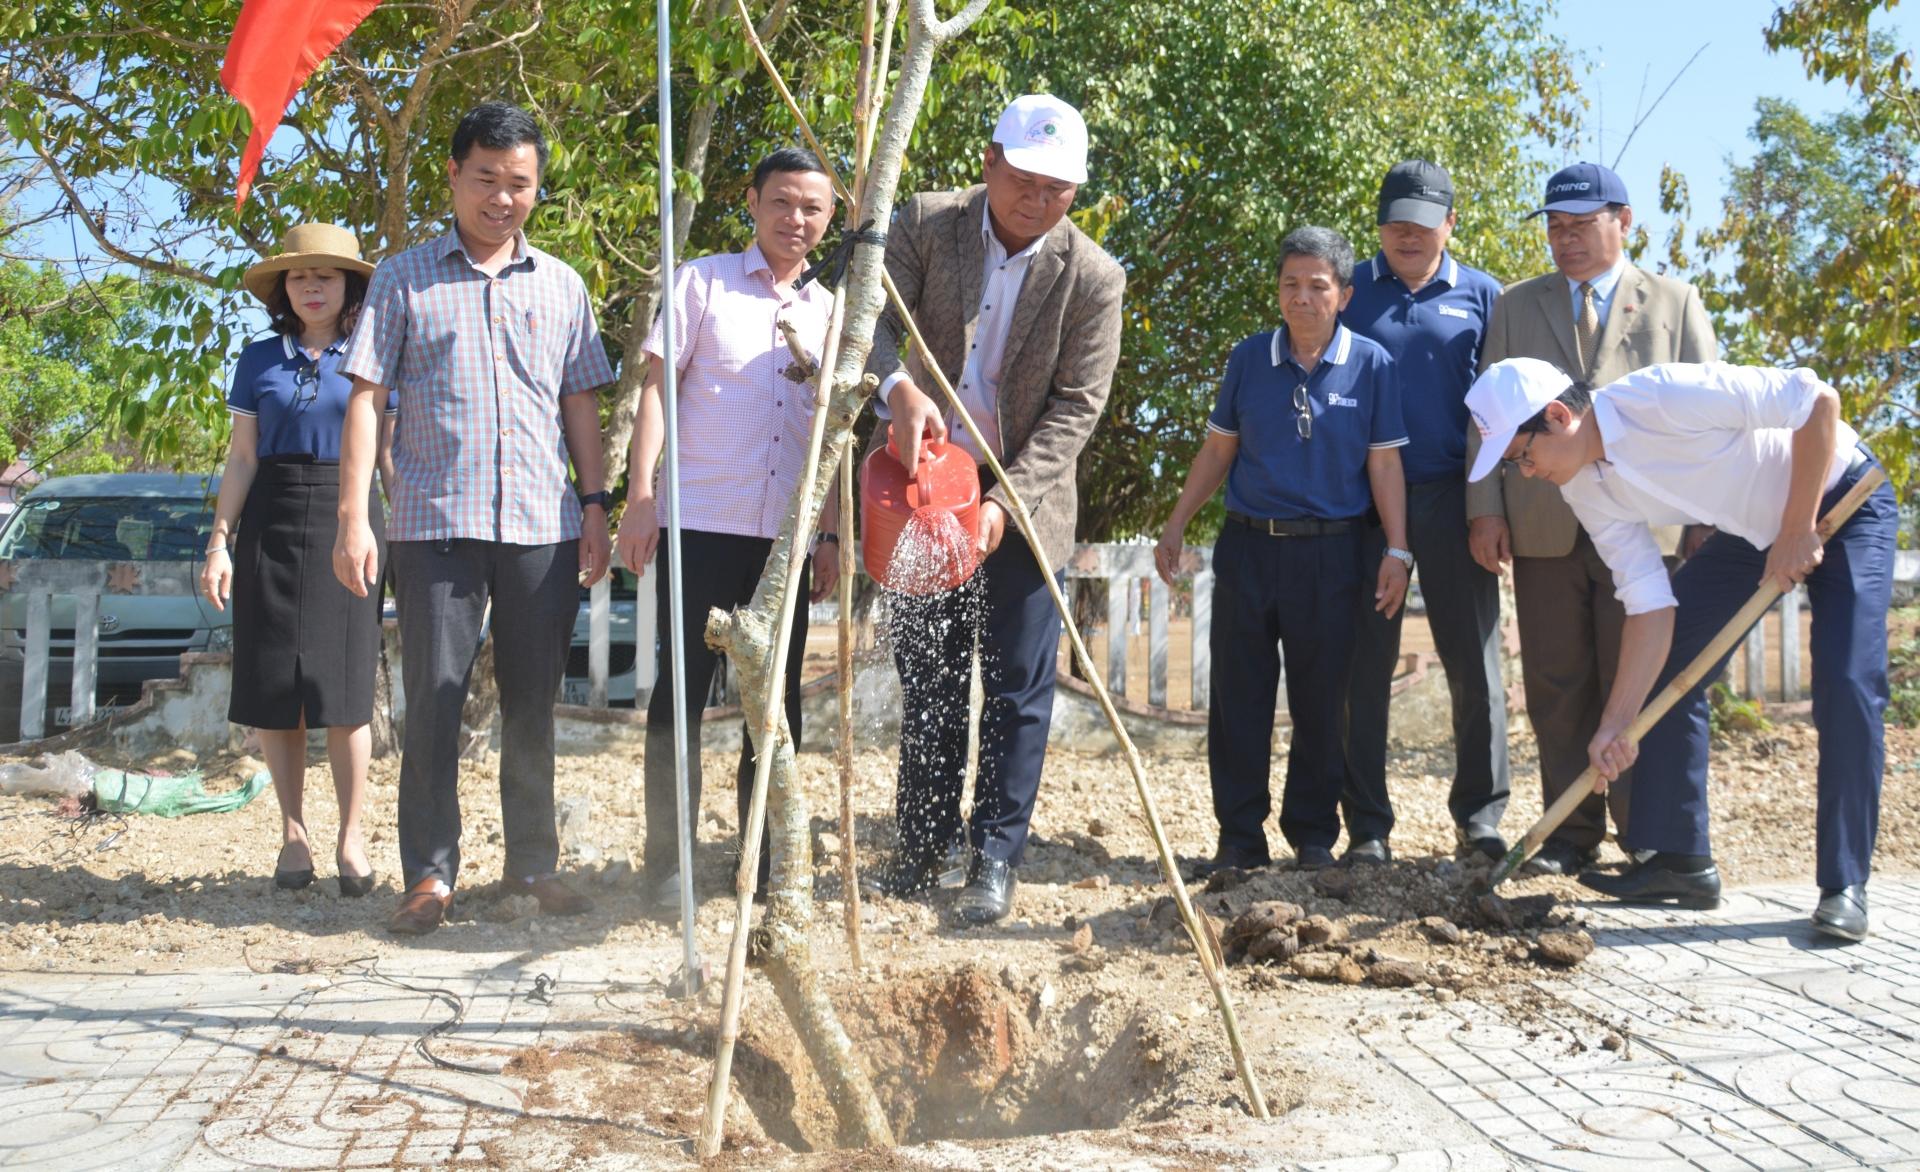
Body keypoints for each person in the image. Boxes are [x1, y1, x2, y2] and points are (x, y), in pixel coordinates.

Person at [1466, 358, 1896, 941]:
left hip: (1844, 496)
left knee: (1846, 684)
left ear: (1559, 416)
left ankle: (1844, 884)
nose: (1525, 472)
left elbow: (1817, 401)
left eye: (1522, 456)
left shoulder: (1659, 398)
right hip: (1757, 534)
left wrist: (1799, 526)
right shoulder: (1584, 489)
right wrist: (1614, 727)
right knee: (1666, 669)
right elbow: (1648, 603)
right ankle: (1680, 859)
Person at [332, 102, 617, 936]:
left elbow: (581, 404)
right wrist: (358, 517)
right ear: (453, 176)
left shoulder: (562, 285)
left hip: (542, 525)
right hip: (433, 524)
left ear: (536, 188)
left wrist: (595, 506)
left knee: (532, 704)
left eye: (519, 183)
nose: (502, 197)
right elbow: (365, 399)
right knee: (434, 702)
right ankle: (428, 875)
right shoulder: (403, 277)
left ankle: (533, 864)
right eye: (485, 179)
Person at [862, 94, 1126, 924]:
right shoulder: (925, 224)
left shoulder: (1094, 277)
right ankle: (922, 844)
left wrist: (1005, 502)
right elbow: (864, 323)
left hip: (1024, 502)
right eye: (1024, 180)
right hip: (920, 494)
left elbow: (1077, 408)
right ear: (989, 163)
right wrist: (896, 388)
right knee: (931, 681)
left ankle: (995, 858)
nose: (1037, 200)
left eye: (1058, 189)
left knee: (1016, 686)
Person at [1467, 162, 1717, 877]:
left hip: (1650, 522)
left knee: (1635, 676)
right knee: (1556, 680)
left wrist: (1702, 521)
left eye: (1580, 225)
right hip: (1544, 520)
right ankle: (1570, 833)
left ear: (1624, 222)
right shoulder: (1517, 306)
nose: (1565, 240)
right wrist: (1485, 508)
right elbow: (1484, 420)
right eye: (1554, 227)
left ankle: (1647, 835)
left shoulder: (1673, 301)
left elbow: (1704, 417)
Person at [615, 147, 842, 913]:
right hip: (699, 521)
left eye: (812, 207)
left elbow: (832, 435)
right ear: (752, 201)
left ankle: (765, 861)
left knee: (776, 706)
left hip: (784, 537)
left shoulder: (835, 310)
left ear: (831, 216)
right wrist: (639, 495)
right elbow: (656, 392)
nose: (796, 220)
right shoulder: (702, 283)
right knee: (679, 693)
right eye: (782, 202)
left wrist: (831, 535)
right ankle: (668, 865)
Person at [1157, 226, 1411, 874]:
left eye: (1317, 286)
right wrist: (1177, 521)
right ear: (1277, 291)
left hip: (1334, 555)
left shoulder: (1373, 365)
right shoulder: (1248, 360)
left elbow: (1384, 467)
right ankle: (1239, 837)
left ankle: (1313, 836)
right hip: (1248, 548)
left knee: (1321, 703)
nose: (1302, 298)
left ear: (1344, 294)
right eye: (1290, 284)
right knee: (1239, 699)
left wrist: (1399, 551)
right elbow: (1220, 449)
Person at [201, 223, 393, 897]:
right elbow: (243, 458)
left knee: (345, 693)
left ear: (351, 288)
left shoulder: (374, 354)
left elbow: (388, 457)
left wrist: (399, 527)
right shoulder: (258, 360)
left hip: (351, 522)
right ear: (284, 289)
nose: (312, 287)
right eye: (300, 276)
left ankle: (351, 836)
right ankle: (292, 833)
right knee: (274, 688)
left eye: (327, 276)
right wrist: (219, 542)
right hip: (270, 525)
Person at [1339, 160, 1509, 866]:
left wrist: (1488, 507)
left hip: (1451, 498)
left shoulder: (1483, 296)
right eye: (1394, 221)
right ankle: (1368, 827)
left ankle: (1480, 816)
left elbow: (1501, 413)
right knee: (1361, 669)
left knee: (1474, 664)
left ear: (1451, 223)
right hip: (1364, 505)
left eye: (1422, 221)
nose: (1407, 235)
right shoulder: (1348, 289)